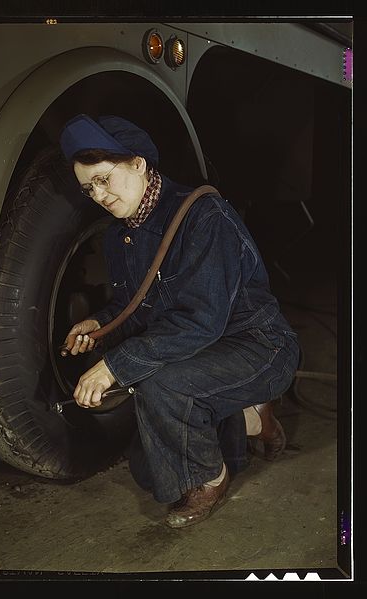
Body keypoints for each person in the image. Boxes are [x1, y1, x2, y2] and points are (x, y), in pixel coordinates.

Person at [59, 114, 300, 529]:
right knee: (150, 471)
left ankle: (212, 479)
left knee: (162, 388)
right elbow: (136, 305)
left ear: (138, 164)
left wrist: (115, 366)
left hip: (258, 345)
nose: (98, 195)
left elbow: (201, 322)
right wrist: (99, 326)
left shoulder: (204, 217)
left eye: (103, 178)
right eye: (88, 187)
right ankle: (254, 419)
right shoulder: (120, 236)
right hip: (202, 352)